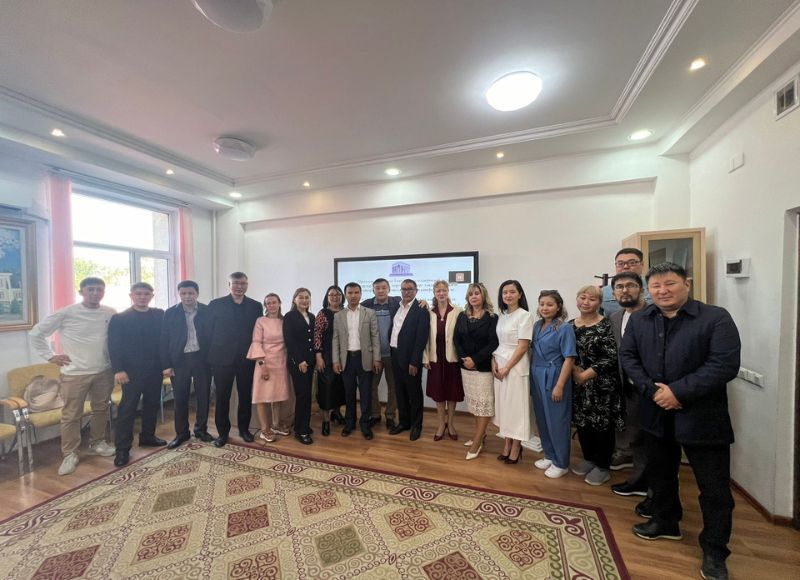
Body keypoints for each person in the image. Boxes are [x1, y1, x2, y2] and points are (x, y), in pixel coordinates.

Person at [620, 262, 741, 580]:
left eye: (669, 283)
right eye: (656, 286)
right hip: (655, 412)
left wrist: (678, 392)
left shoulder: (715, 318)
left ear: (686, 284)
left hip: (702, 416)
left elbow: (723, 364)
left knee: (713, 489)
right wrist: (651, 390)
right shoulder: (641, 319)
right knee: (660, 475)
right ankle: (665, 521)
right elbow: (628, 357)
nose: (662, 291)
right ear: (649, 290)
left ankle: (715, 550)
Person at [29, 277, 116, 476]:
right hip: (74, 373)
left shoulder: (109, 312)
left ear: (103, 292)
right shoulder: (67, 312)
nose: (95, 293)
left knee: (101, 409)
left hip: (103, 370)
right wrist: (50, 356)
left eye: (99, 289)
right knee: (71, 415)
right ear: (81, 291)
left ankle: (98, 442)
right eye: (90, 289)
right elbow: (36, 333)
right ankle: (70, 453)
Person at [569, 285, 624, 486]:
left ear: (599, 303)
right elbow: (566, 353)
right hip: (578, 384)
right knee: (583, 423)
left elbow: (610, 357)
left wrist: (585, 375)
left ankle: (602, 466)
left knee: (602, 426)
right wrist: (575, 372)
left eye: (592, 299)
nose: (586, 302)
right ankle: (589, 458)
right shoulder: (570, 325)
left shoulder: (606, 325)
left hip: (602, 385)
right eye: (582, 297)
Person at [107, 282, 166, 467]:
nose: (142, 297)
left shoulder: (159, 315)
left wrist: (166, 365)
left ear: (151, 296)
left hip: (155, 369)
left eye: (146, 294)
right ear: (131, 295)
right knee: (127, 409)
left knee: (151, 405)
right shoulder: (120, 318)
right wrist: (118, 369)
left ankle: (148, 436)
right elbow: (114, 346)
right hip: (130, 372)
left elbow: (164, 341)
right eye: (138, 293)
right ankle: (122, 449)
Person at [207, 272, 263, 447]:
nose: (239, 287)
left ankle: (244, 430)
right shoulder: (215, 304)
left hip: (246, 359)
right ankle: (223, 433)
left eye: (243, 283)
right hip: (222, 358)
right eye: (236, 283)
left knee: (245, 395)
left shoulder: (255, 306)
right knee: (222, 397)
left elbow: (257, 332)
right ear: (229, 285)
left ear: (247, 285)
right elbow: (208, 331)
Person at [608, 272, 649, 496]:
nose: (625, 290)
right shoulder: (615, 317)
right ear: (614, 293)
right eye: (619, 286)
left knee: (650, 438)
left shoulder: (654, 314)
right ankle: (639, 481)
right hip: (626, 385)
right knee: (634, 432)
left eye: (631, 285)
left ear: (641, 289)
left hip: (650, 387)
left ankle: (650, 486)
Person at [161, 280, 213, 449]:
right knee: (180, 398)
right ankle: (181, 433)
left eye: (191, 293)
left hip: (201, 359)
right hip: (179, 360)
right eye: (183, 293)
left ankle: (201, 430)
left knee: (203, 396)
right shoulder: (170, 313)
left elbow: (212, 336)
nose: (187, 296)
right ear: (179, 294)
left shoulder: (207, 311)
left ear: (197, 294)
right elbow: (164, 340)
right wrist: (166, 365)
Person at [530, 290, 575, 478]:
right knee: (542, 418)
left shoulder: (564, 328)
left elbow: (569, 358)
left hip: (555, 375)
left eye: (549, 304)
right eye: (542, 304)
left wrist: (560, 385)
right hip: (536, 374)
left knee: (557, 420)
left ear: (558, 307)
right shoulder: (536, 326)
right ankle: (549, 455)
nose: (545, 308)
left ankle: (561, 462)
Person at [453, 283, 498, 460]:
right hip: (466, 367)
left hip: (483, 367)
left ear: (483, 295)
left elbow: (493, 343)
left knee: (483, 406)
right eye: (471, 294)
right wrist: (464, 358)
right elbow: (456, 339)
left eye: (477, 293)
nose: (473, 296)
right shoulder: (462, 316)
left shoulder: (492, 317)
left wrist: (475, 359)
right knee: (474, 404)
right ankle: (480, 434)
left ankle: (477, 441)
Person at [332, 282, 381, 439]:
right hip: (346, 359)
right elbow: (335, 339)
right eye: (350, 293)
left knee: (366, 393)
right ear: (345, 295)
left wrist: (377, 358)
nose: (353, 296)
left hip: (365, 358)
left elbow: (375, 336)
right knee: (349, 393)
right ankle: (350, 423)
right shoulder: (338, 315)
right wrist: (335, 360)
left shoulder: (369, 313)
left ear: (360, 294)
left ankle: (365, 424)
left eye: (356, 292)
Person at [492, 280, 534, 466]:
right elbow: (499, 342)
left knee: (516, 408)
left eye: (512, 292)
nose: (508, 295)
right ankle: (507, 443)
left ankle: (516, 446)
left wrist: (507, 367)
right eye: (505, 292)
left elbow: (523, 346)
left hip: (515, 366)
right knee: (504, 407)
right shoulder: (502, 315)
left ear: (520, 294)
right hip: (500, 362)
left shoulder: (525, 315)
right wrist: (494, 361)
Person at [388, 279, 430, 441]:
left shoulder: (421, 309)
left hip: (411, 358)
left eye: (410, 289)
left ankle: (416, 425)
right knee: (400, 391)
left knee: (414, 393)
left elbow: (421, 338)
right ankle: (404, 422)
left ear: (416, 291)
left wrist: (415, 361)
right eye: (404, 289)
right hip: (394, 355)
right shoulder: (396, 307)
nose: (406, 292)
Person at [247, 293, 291, 445]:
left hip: (281, 362)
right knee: (262, 397)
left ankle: (276, 425)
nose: (272, 305)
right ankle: (265, 429)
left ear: (279, 303)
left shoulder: (285, 321)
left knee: (277, 395)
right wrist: (262, 365)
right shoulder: (261, 321)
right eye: (268, 303)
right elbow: (256, 342)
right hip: (264, 362)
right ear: (265, 306)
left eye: (274, 302)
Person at [423, 280, 464, 441]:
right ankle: (441, 424)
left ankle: (451, 424)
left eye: (444, 290)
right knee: (439, 394)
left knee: (452, 393)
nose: (441, 293)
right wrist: (425, 357)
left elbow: (461, 336)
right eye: (438, 291)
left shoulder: (458, 311)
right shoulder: (429, 313)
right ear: (434, 293)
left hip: (452, 359)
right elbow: (425, 338)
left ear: (448, 291)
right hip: (435, 358)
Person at [361, 278, 400, 429]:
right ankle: (375, 414)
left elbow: (413, 304)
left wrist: (424, 302)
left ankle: (390, 415)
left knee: (393, 387)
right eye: (377, 288)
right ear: (373, 290)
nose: (381, 290)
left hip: (392, 354)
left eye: (384, 287)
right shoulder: (366, 305)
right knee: (371, 386)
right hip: (374, 356)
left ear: (389, 289)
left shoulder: (397, 303)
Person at [283, 287, 316, 445]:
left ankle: (304, 425)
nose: (304, 300)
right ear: (294, 299)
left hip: (310, 362)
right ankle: (300, 431)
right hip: (298, 363)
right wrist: (300, 360)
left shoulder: (311, 316)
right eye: (301, 297)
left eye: (307, 297)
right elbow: (289, 340)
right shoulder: (289, 317)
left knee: (307, 395)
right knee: (302, 395)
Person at [313, 286, 346, 436]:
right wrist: (318, 356)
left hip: (344, 356)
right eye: (331, 295)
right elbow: (317, 336)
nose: (334, 297)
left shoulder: (346, 312)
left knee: (340, 387)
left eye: (337, 294)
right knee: (326, 389)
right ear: (327, 297)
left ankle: (336, 413)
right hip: (326, 356)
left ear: (342, 296)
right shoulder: (323, 314)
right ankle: (325, 421)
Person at [601, 248, 652, 317]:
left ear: (642, 264)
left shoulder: (654, 287)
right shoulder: (604, 292)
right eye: (620, 263)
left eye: (632, 263)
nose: (625, 266)